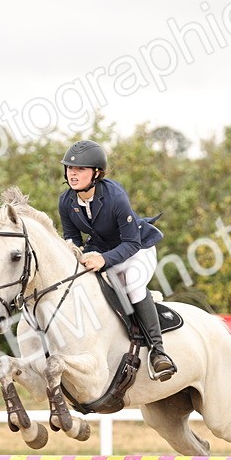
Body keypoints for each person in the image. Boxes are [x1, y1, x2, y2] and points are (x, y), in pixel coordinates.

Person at [57, 139, 176, 381]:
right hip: (100, 251)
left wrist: (103, 259)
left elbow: (131, 243)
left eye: (80, 169)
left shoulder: (115, 197)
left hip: (137, 249)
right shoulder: (66, 201)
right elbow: (71, 235)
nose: (73, 174)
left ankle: (158, 351)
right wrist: (76, 251)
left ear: (96, 172)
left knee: (131, 283)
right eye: (70, 168)